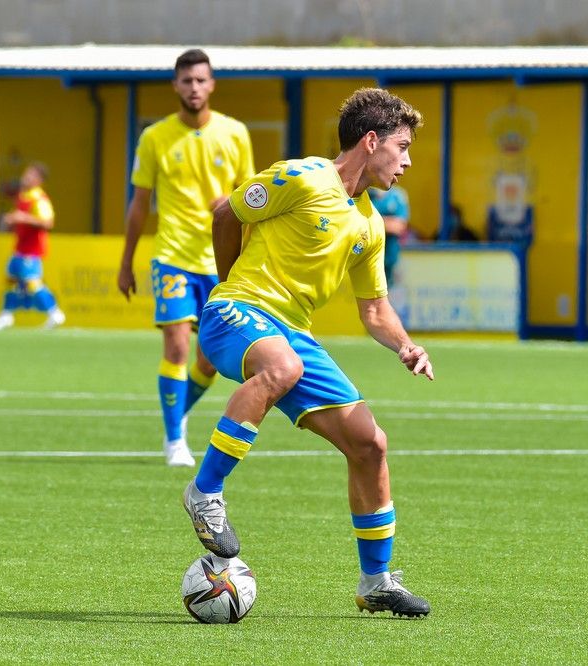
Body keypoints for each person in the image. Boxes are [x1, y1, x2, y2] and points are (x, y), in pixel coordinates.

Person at [185, 87, 433, 618]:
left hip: (293, 334)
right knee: (283, 366)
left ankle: (377, 582)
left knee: (370, 445)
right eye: (403, 147)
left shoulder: (368, 223)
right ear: (372, 142)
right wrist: (228, 287)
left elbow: (375, 310)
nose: (408, 161)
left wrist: (406, 345)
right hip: (238, 313)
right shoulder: (301, 178)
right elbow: (226, 213)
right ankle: (205, 493)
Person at [117, 48, 255, 467]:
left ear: (212, 84)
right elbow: (140, 203)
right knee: (177, 344)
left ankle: (175, 416)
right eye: (186, 81)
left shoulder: (234, 133)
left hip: (220, 259)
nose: (194, 88)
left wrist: (232, 201)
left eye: (201, 80)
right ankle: (176, 439)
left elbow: (254, 196)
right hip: (173, 255)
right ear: (175, 85)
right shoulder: (155, 137)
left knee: (209, 361)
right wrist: (126, 262)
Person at [0, 162, 66, 331]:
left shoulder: (39, 199)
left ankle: (54, 312)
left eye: (30, 174)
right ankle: (6, 315)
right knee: (11, 279)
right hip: (20, 247)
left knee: (32, 282)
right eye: (26, 173)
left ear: (39, 180)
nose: (26, 177)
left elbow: (48, 222)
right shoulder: (24, 196)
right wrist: (12, 221)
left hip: (32, 249)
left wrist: (22, 218)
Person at [367, 184, 410, 285]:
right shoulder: (364, 194)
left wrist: (370, 222)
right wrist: (387, 222)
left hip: (390, 259)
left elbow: (399, 227)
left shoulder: (397, 195)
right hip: (367, 258)